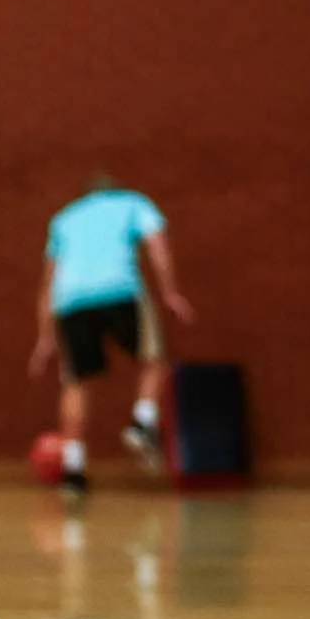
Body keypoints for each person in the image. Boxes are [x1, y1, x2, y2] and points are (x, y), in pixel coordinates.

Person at [29, 174, 195, 501]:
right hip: (120, 290)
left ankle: (74, 470)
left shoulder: (65, 218)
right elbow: (157, 245)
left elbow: (47, 283)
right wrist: (170, 291)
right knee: (155, 358)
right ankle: (143, 421)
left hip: (71, 301)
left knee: (77, 382)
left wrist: (45, 337)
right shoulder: (133, 202)